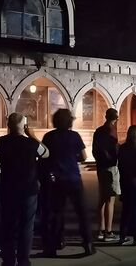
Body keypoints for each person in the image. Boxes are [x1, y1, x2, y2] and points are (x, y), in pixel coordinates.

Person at [0, 112, 49, 266]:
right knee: (27, 226)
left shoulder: (2, 142)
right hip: (29, 190)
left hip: (8, 190)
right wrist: (32, 136)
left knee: (8, 226)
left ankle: (9, 260)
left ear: (8, 126)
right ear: (24, 126)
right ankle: (24, 260)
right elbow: (46, 153)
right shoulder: (31, 143)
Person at [42, 109, 95, 256]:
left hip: (57, 180)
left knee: (57, 213)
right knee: (82, 213)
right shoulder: (74, 136)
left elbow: (44, 157)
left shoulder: (49, 137)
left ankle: (54, 245)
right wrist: (72, 157)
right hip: (73, 179)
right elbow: (84, 157)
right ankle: (88, 244)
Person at [92, 108, 120, 242]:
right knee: (110, 199)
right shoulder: (112, 131)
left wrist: (99, 160)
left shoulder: (98, 131)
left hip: (100, 167)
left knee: (102, 198)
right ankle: (108, 232)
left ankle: (100, 229)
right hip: (110, 167)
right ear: (116, 119)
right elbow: (115, 149)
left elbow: (94, 150)